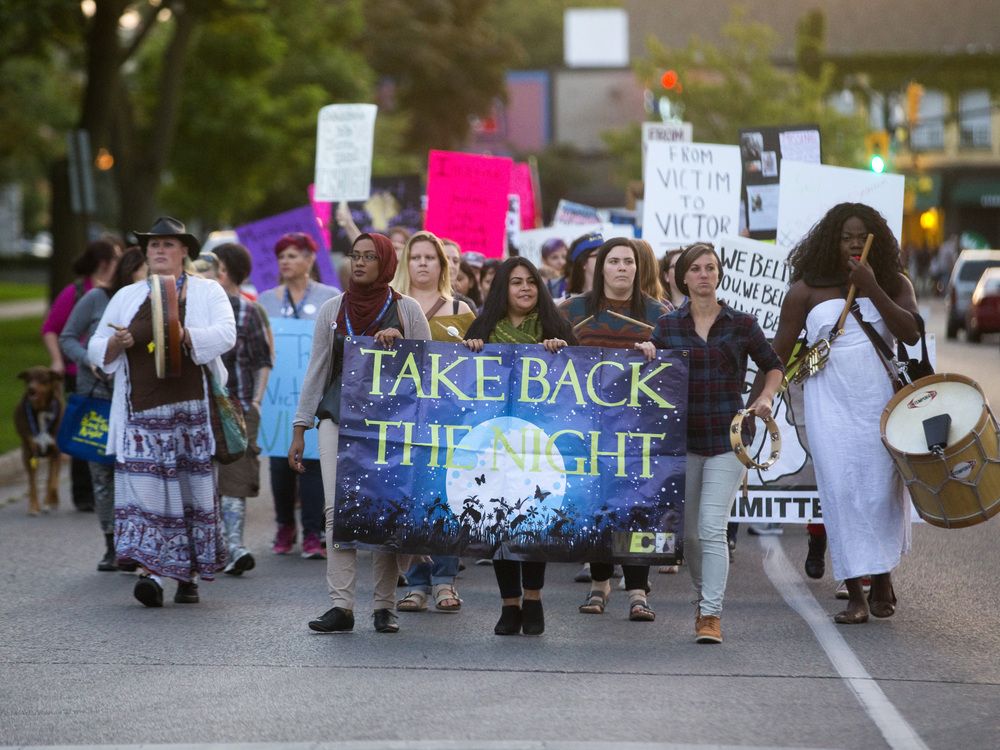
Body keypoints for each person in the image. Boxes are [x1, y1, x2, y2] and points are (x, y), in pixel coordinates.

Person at [764, 203, 919, 624]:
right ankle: (855, 592)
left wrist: (872, 289)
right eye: (845, 236)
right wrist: (759, 397)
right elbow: (778, 351)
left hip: (879, 406)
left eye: (860, 235)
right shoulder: (805, 290)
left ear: (876, 242)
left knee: (879, 492)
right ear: (830, 242)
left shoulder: (894, 282)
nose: (853, 243)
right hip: (828, 407)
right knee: (841, 493)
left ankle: (883, 575)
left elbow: (910, 331)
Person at [637, 242, 784, 643]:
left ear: (719, 275)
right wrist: (649, 353)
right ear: (682, 277)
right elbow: (649, 375)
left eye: (711, 268)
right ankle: (704, 596)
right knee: (688, 536)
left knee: (711, 527)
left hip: (729, 436)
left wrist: (766, 397)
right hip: (683, 439)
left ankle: (710, 615)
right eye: (696, 269)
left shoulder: (742, 323)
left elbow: (774, 366)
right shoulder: (668, 327)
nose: (704, 275)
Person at [88, 217, 236, 607]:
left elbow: (226, 334)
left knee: (190, 494)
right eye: (153, 245)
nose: (158, 251)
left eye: (168, 244)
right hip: (140, 415)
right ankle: (151, 573)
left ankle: (187, 576)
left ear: (185, 250)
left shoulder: (207, 292)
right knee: (146, 494)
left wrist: (186, 334)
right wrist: (116, 344)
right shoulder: (128, 295)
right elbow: (96, 345)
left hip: (192, 414)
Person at [296, 233, 430, 634]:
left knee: (384, 511)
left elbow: (429, 372)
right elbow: (317, 369)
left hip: (392, 426)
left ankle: (385, 606)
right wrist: (300, 427)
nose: (359, 263)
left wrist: (401, 346)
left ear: (386, 262)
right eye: (355, 256)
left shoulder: (408, 311)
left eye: (370, 257)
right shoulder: (332, 310)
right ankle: (341, 605)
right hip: (338, 419)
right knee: (337, 511)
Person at [558, 238, 672, 621]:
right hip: (587, 426)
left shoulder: (660, 314)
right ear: (600, 267)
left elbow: (675, 366)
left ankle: (638, 590)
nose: (622, 267)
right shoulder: (572, 311)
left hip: (639, 427)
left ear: (638, 269)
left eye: (629, 261)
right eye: (614, 261)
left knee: (638, 505)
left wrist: (660, 355)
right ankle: (599, 582)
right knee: (594, 504)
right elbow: (548, 356)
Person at [463, 257, 577, 636]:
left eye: (531, 281)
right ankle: (508, 604)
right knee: (499, 520)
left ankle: (534, 599)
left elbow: (581, 378)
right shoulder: (483, 326)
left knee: (532, 521)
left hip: (539, 446)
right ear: (502, 289)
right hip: (492, 444)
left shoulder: (555, 326)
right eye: (516, 282)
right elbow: (461, 379)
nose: (525, 288)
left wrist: (562, 353)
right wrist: (471, 348)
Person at [390, 231, 474, 612]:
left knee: (448, 498)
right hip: (402, 420)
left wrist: (477, 347)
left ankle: (445, 580)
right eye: (415, 256)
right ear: (405, 263)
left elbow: (478, 373)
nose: (422, 263)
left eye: (430, 257)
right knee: (410, 500)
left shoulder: (463, 310)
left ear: (442, 264)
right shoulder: (390, 307)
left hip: (449, 421)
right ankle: (416, 582)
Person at [60, 246, 146, 570]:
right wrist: (90, 359)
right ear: (129, 270)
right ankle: (111, 542)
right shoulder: (98, 299)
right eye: (143, 269)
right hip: (97, 396)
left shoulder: (156, 301)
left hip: (135, 398)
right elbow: (67, 336)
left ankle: (135, 542)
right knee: (102, 472)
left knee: (133, 472)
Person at [258, 232, 339, 559]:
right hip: (278, 395)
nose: (286, 262)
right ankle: (284, 527)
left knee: (313, 464)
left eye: (293, 255)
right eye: (281, 257)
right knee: (279, 464)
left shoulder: (329, 297)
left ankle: (312, 531)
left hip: (314, 391)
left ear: (309, 260)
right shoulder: (266, 300)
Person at [43, 239, 121, 511]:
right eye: (116, 259)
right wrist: (58, 360)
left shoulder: (118, 293)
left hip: (111, 376)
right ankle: (83, 492)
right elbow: (53, 329)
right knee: (85, 427)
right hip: (80, 373)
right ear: (104, 263)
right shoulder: (78, 292)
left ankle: (107, 488)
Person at [211, 242, 273, 576]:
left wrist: (256, 402)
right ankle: (211, 547)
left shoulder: (250, 311)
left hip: (237, 407)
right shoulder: (190, 308)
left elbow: (264, 360)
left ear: (227, 271)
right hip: (198, 408)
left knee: (236, 476)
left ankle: (234, 547)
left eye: (215, 266)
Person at [560, 232, 604, 300]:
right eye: (598, 255)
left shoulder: (617, 296)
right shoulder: (565, 304)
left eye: (606, 254)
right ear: (583, 262)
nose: (604, 259)